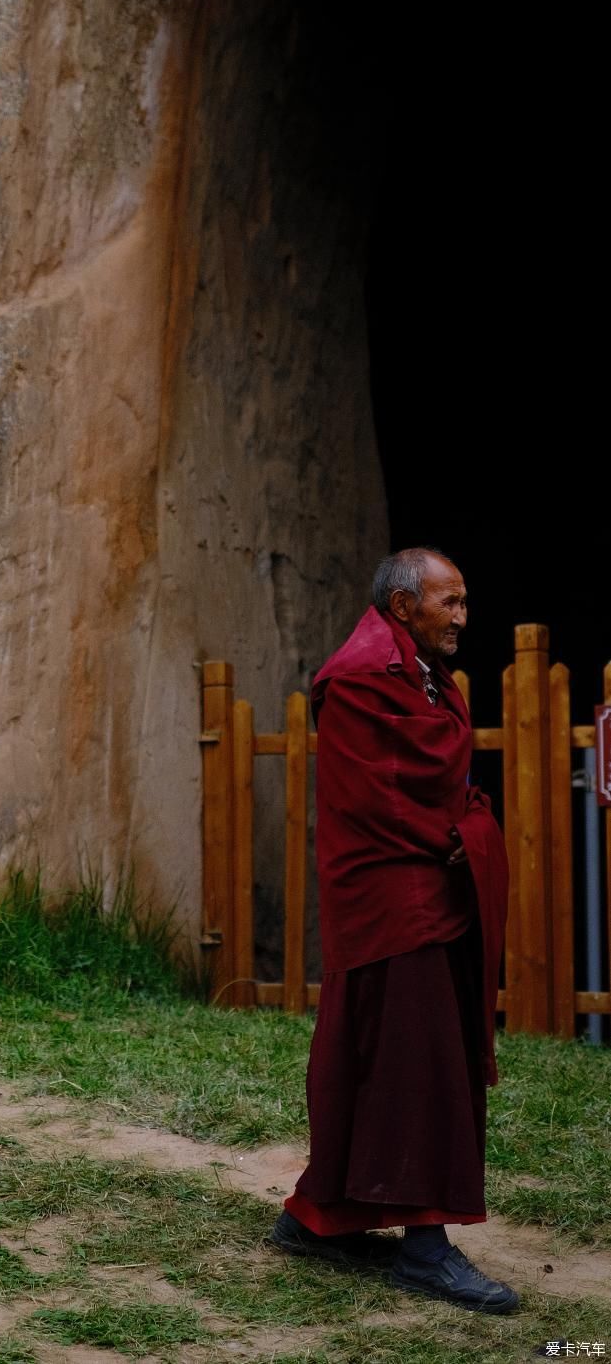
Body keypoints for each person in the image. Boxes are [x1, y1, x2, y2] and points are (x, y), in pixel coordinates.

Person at [270, 547, 516, 1313]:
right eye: (449, 602)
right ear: (403, 605)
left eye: (464, 602)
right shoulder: (360, 677)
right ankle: (423, 1247)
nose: (461, 618)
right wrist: (460, 824)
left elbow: (431, 771)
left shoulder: (416, 672)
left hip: (417, 889)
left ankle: (319, 1218)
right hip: (392, 892)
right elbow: (383, 790)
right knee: (422, 1067)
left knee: (374, 1059)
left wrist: (461, 822)